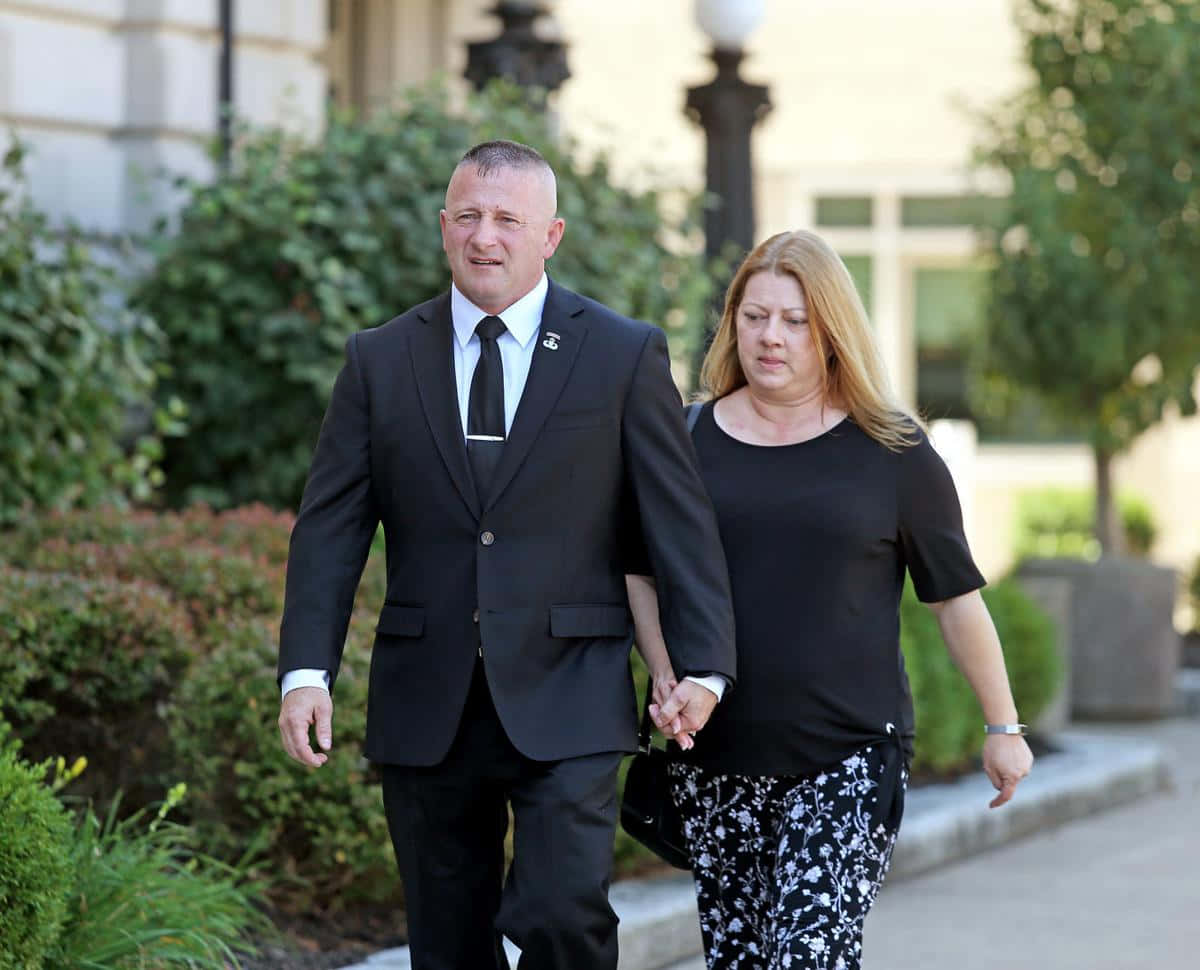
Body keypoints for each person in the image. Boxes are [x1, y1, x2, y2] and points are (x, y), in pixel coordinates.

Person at [274, 140, 736, 970]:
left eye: (507, 220)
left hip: (572, 688)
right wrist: (305, 673)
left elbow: (678, 521)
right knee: (448, 943)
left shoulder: (620, 354)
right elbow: (331, 527)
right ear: (443, 226)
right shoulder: (379, 360)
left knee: (563, 912)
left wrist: (702, 668)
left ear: (550, 235)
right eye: (469, 216)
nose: (485, 236)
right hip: (428, 698)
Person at [626, 229, 1033, 970]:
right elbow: (641, 572)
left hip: (847, 757)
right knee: (741, 961)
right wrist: (663, 672)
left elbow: (955, 599)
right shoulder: (685, 438)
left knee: (807, 958)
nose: (769, 338)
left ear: (832, 328)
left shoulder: (893, 450)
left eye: (794, 320)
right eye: (754, 317)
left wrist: (1003, 724)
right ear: (732, 323)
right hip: (717, 758)